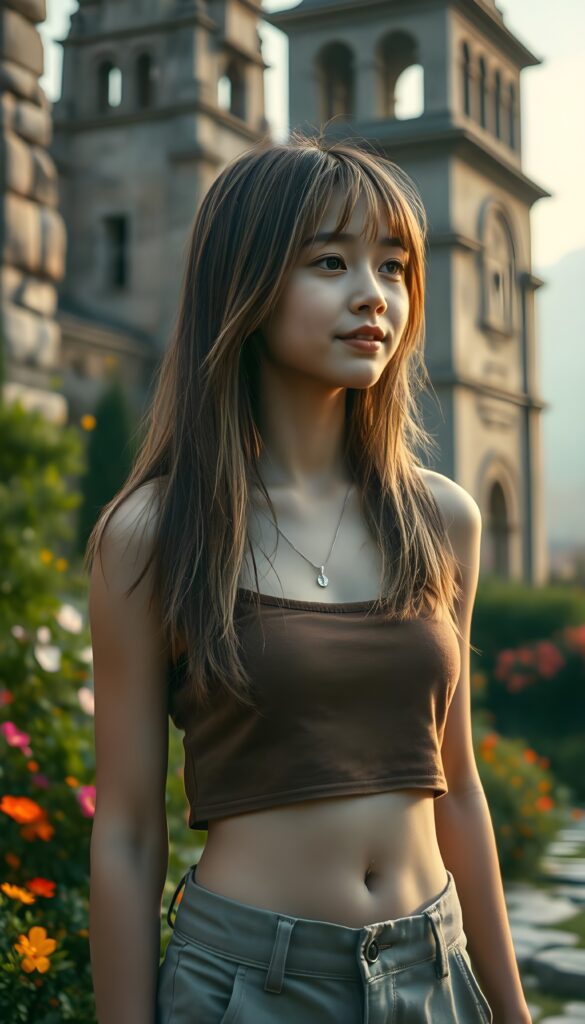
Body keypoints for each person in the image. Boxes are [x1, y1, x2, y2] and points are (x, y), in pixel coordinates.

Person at [85, 133, 532, 1024]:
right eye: (330, 261)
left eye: (394, 266)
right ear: (242, 284)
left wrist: (512, 1012)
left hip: (432, 974)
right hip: (248, 985)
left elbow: (459, 786)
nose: (373, 294)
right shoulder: (155, 534)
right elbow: (128, 832)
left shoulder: (440, 519)